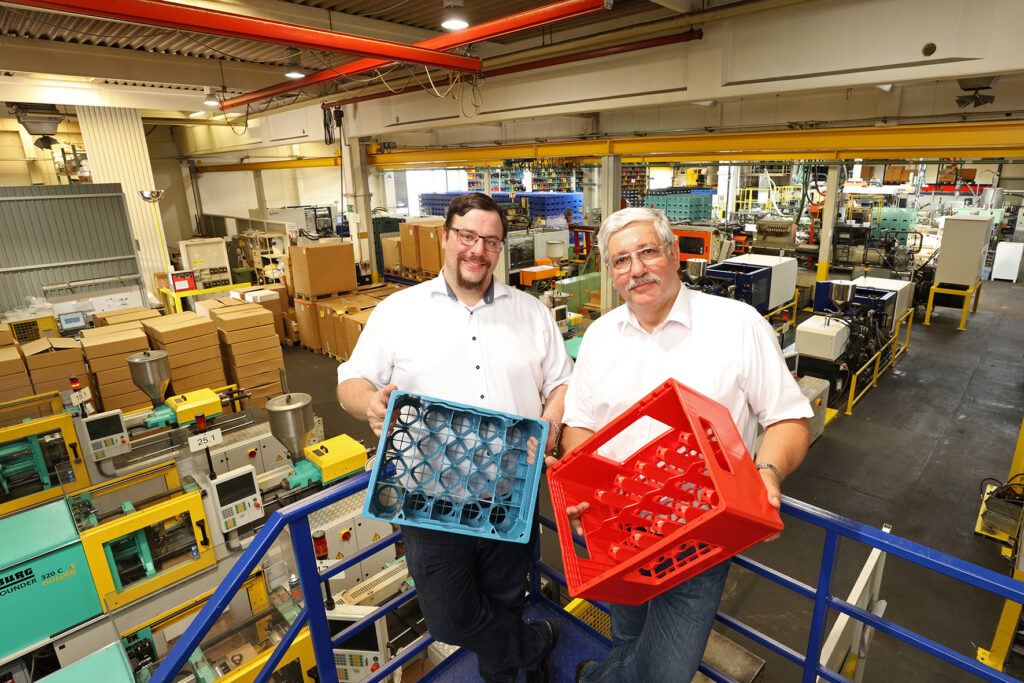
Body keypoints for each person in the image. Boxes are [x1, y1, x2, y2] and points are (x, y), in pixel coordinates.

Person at [555, 206, 812, 682]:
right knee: (628, 639)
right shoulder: (599, 337)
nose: (637, 270)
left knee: (666, 673)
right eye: (621, 261)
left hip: (701, 534)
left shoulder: (737, 325)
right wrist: (583, 483)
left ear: (674, 254)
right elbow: (579, 426)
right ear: (610, 274)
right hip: (621, 528)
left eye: (648, 252)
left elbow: (790, 418)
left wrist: (767, 473)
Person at [337, 192, 572, 683]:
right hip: (431, 500)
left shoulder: (530, 313)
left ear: (500, 248)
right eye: (467, 236)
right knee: (449, 618)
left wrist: (551, 422)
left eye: (490, 241)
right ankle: (535, 646)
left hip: (512, 494)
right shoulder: (398, 312)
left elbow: (563, 383)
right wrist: (370, 403)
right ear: (445, 238)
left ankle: (510, 673)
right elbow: (350, 382)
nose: (477, 250)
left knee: (506, 602)